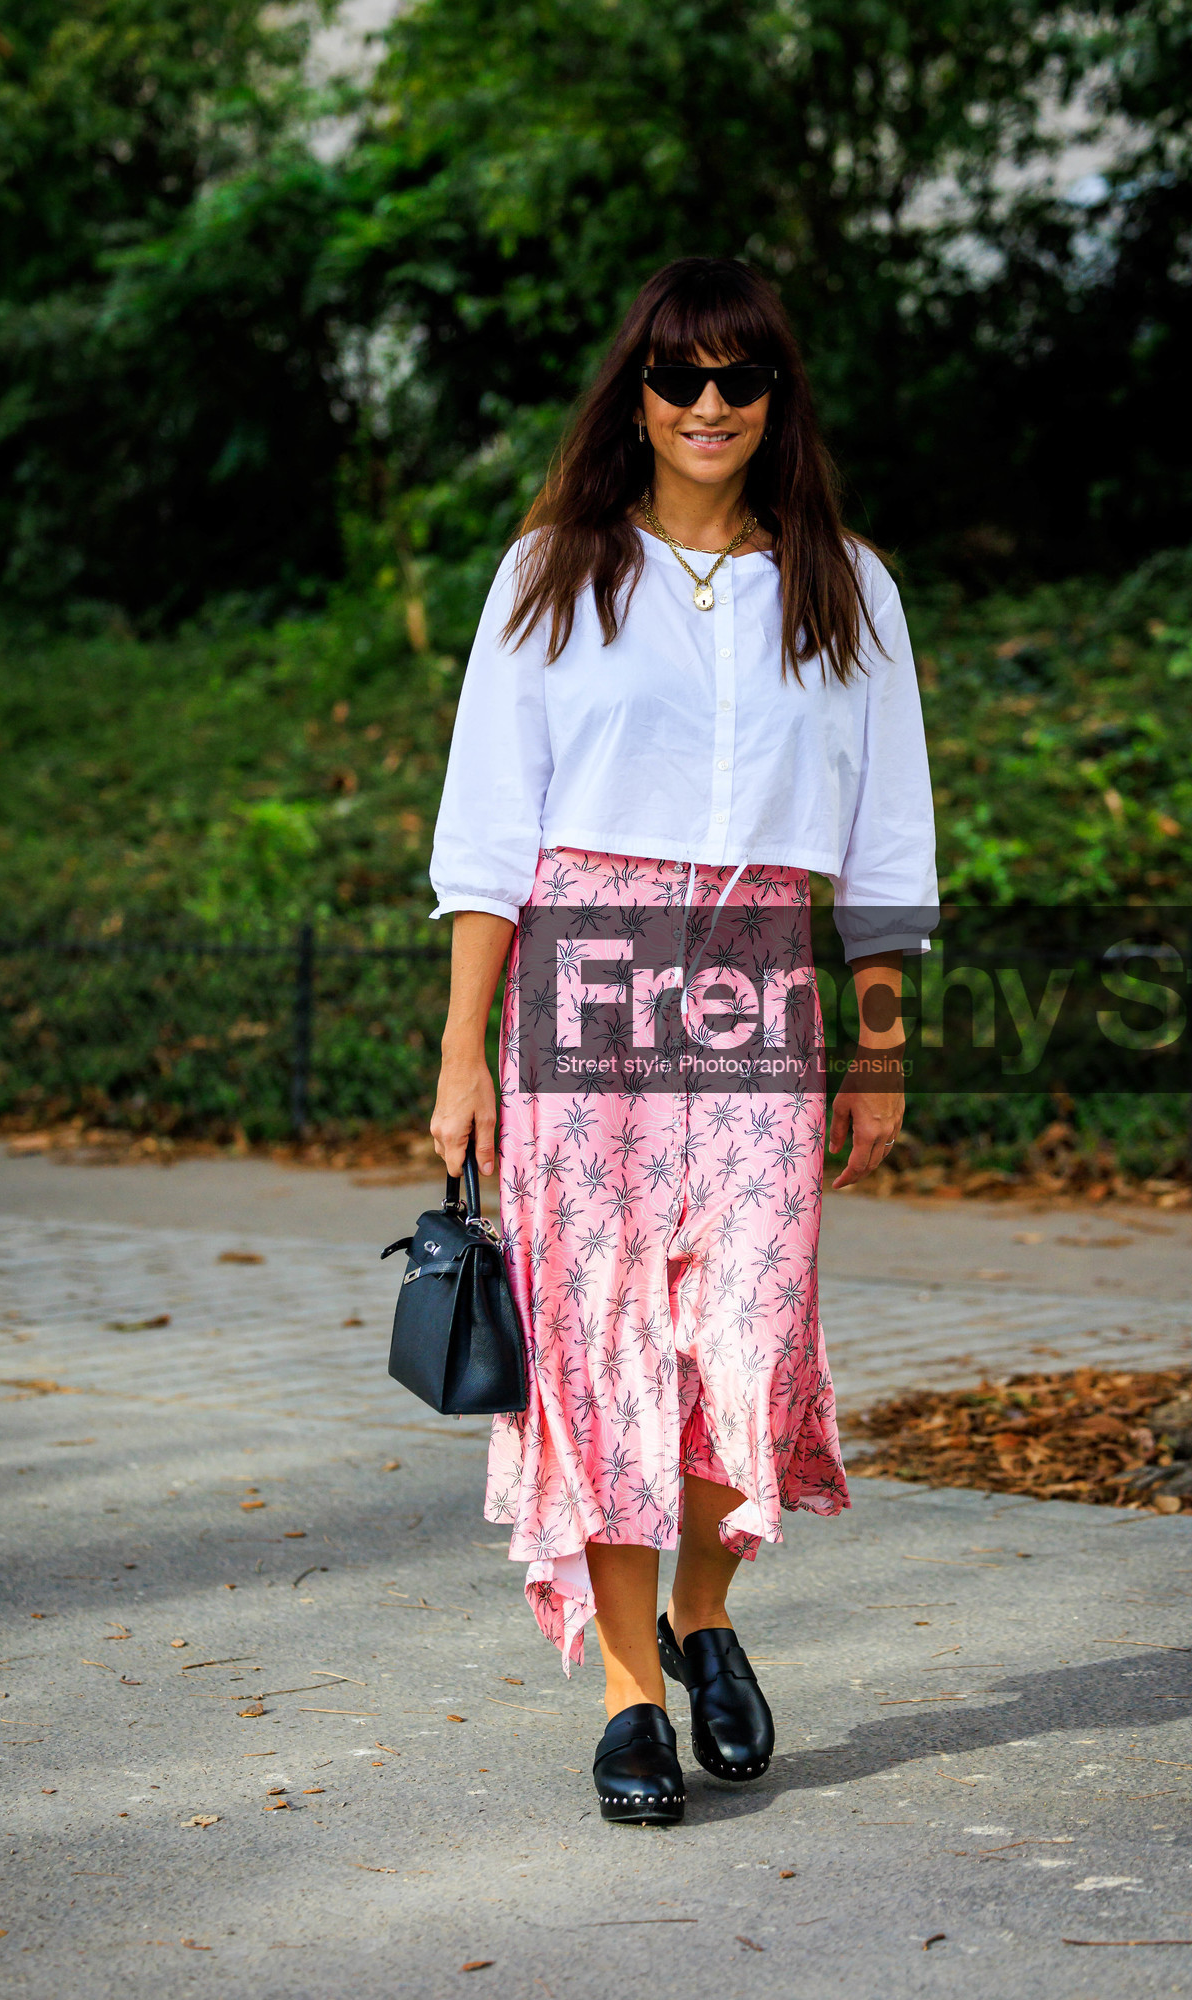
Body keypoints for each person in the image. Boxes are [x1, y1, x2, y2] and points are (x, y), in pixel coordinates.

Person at [427, 256, 936, 1825]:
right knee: (593, 1338)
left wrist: (883, 1047)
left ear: (778, 400)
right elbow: (488, 839)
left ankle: (706, 1606)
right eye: (679, 379)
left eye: (740, 379)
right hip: (583, 963)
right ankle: (632, 1694)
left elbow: (886, 843)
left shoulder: (846, 586)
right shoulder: (553, 575)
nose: (708, 406)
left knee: (753, 1320)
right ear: (635, 396)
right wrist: (461, 1059)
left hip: (761, 982)